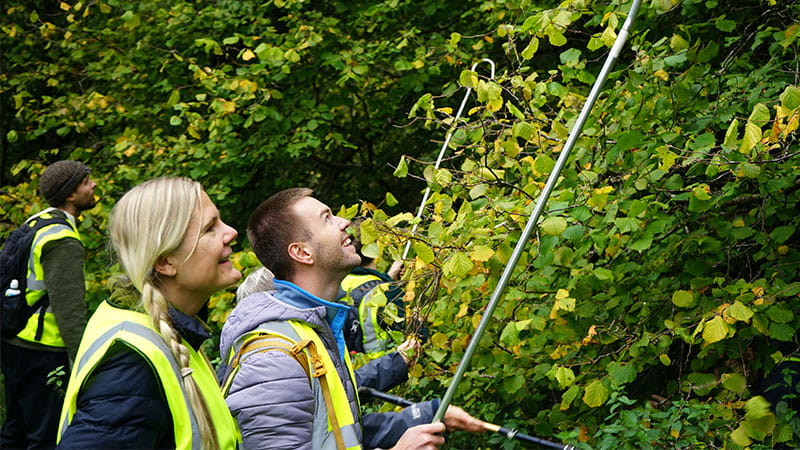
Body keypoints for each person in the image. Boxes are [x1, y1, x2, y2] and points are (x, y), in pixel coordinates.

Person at [220, 187, 486, 450]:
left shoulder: (315, 329)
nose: (344, 222)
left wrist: (425, 414)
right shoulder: (274, 357)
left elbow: (340, 432)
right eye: (327, 218)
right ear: (302, 253)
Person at [56, 177, 241, 449]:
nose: (231, 232)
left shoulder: (171, 329)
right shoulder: (130, 367)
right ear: (165, 262)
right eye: (210, 228)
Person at [1, 160, 95, 449]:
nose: (92, 186)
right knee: (45, 436)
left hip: (14, 340)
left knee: (14, 429)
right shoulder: (62, 238)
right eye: (85, 182)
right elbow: (70, 310)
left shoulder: (37, 224)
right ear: (70, 195)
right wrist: (84, 361)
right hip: (43, 352)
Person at [337, 218, 406, 357]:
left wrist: (389, 278)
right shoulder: (387, 291)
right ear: (375, 248)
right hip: (384, 372)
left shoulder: (335, 282)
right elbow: (415, 338)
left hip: (347, 371)